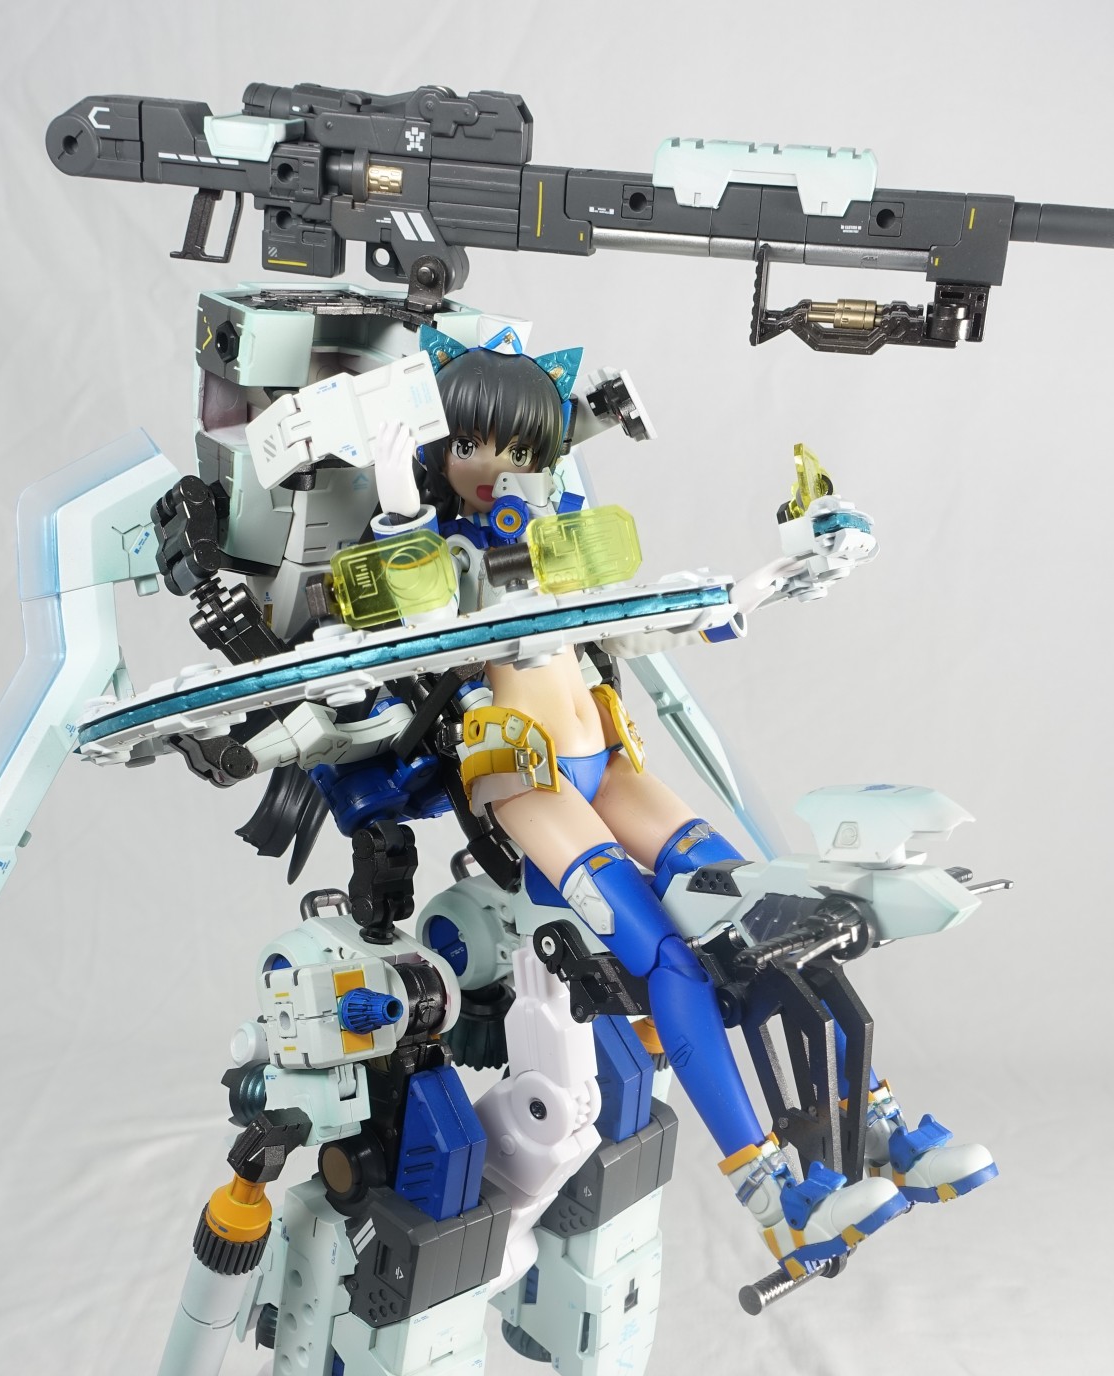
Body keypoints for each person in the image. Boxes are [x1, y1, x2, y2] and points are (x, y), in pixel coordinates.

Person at [371, 329, 996, 1273]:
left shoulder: (564, 542)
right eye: (472, 447)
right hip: (524, 778)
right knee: (668, 956)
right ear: (440, 451)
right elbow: (408, 630)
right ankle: (773, 1194)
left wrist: (771, 578)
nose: (497, 468)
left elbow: (647, 620)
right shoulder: (437, 555)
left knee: (763, 915)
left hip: (606, 758)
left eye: (521, 449)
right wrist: (395, 508)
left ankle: (876, 1122)